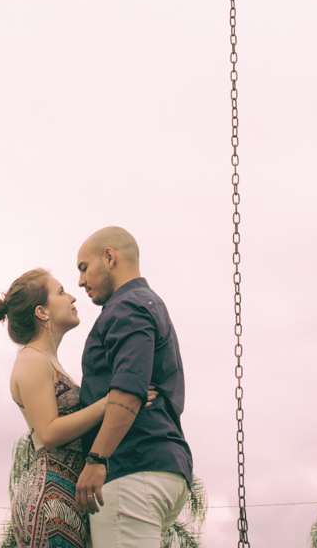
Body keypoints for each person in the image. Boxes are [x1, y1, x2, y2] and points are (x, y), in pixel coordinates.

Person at [74, 227, 193, 548]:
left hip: (132, 470)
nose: (80, 281)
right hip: (161, 466)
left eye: (84, 267)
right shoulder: (149, 303)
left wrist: (97, 460)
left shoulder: (126, 307)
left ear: (109, 257)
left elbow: (129, 390)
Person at [0, 268, 110, 548]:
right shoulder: (31, 360)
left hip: (65, 495)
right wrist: (111, 403)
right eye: (61, 292)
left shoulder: (47, 360)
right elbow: (49, 432)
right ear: (42, 312)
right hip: (50, 501)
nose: (72, 297)